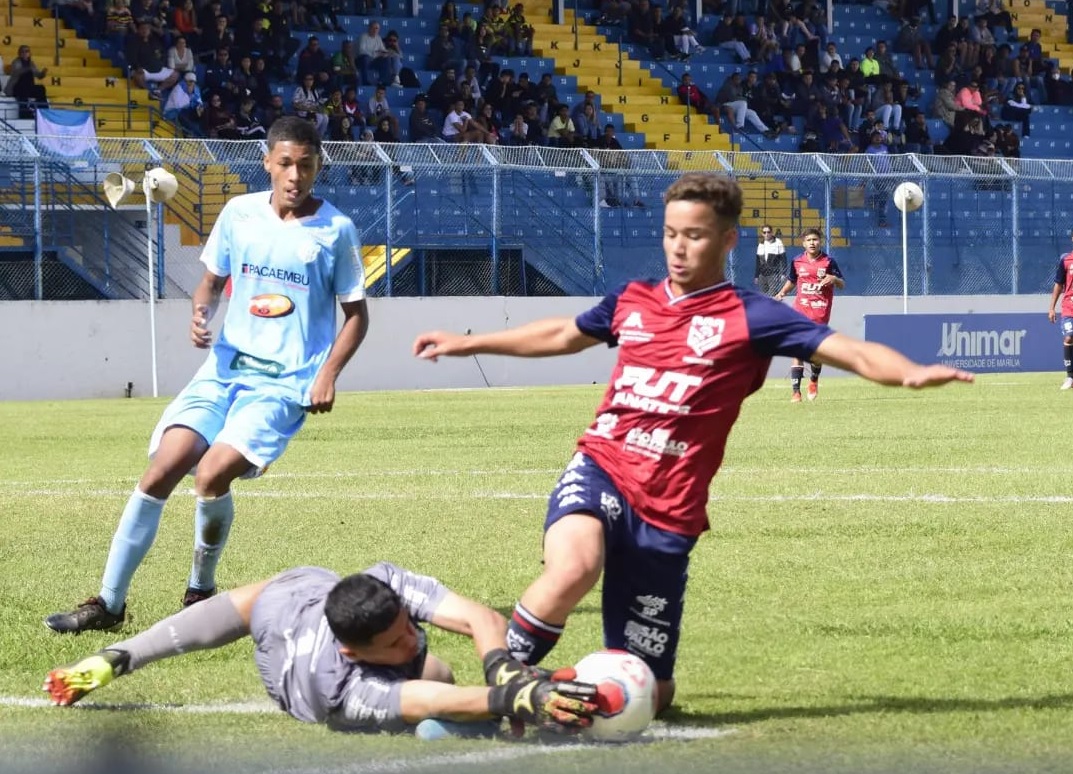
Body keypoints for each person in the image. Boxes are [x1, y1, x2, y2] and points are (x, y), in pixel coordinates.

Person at [411, 174, 974, 711]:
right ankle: (497, 690)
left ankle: (568, 687)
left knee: (652, 695)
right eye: (670, 234)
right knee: (574, 567)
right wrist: (470, 343)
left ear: (728, 240)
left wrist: (906, 372)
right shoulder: (633, 299)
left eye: (695, 236)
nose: (678, 248)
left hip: (672, 507)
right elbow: (563, 334)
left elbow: (845, 349)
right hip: (603, 465)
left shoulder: (755, 317)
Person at [44, 118, 371, 634]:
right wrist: (201, 313)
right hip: (222, 372)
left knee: (211, 474)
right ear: (267, 161)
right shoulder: (239, 213)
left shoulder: (336, 231)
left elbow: (357, 316)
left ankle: (200, 589)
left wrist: (327, 374)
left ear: (317, 167)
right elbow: (210, 283)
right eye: (285, 163)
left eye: (306, 166)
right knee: (161, 471)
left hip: (283, 385)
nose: (295, 175)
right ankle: (108, 603)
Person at [43, 562, 598, 736]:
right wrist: (514, 701)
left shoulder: (363, 583)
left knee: (449, 667)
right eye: (395, 640)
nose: (411, 634)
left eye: (408, 624)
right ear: (357, 654)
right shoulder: (333, 688)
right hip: (293, 676)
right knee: (441, 686)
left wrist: (504, 669)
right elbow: (426, 701)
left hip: (300, 594)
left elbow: (480, 617)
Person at [774, 227, 845, 402]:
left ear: (820, 241)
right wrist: (781, 293)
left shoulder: (829, 262)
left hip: (820, 311)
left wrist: (834, 279)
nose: (812, 243)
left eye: (815, 239)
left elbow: (842, 284)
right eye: (809, 240)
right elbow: (792, 280)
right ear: (803, 243)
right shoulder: (797, 261)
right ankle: (796, 392)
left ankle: (813, 379)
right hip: (801, 309)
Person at [1047, 233, 1073, 390]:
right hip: (1069, 307)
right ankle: (1070, 377)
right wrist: (1051, 308)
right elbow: (1058, 284)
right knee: (1069, 337)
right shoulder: (1066, 259)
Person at [754, 225, 786, 295]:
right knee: (763, 295)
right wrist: (756, 276)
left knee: (773, 294)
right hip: (762, 274)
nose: (766, 234)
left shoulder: (778, 242)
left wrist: (783, 273)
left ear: (772, 232)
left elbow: (783, 259)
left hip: (773, 273)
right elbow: (758, 262)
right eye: (764, 232)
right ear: (762, 234)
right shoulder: (761, 244)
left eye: (768, 232)